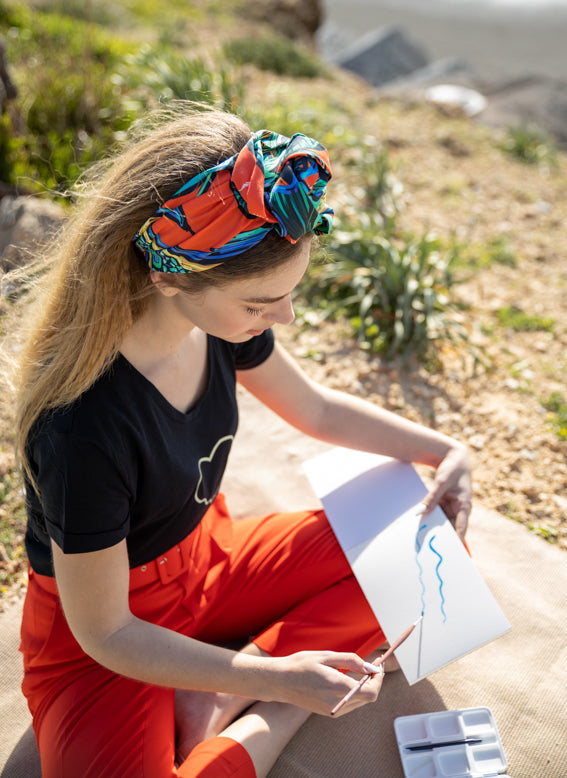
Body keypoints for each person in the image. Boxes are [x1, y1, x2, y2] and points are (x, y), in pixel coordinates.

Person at [10, 108, 471, 778]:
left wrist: (444, 450)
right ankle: (271, 704)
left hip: (207, 559)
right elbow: (105, 631)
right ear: (167, 277)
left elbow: (313, 407)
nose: (280, 317)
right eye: (261, 303)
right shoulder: (82, 424)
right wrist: (285, 686)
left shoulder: (220, 321)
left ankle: (224, 684)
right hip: (108, 630)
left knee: (430, 547)